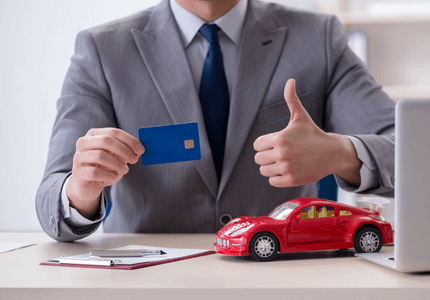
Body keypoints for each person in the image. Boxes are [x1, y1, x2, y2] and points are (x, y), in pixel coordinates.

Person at [36, 0, 395, 242]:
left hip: (279, 273)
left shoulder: (318, 38)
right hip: (148, 282)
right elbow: (52, 194)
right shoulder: (102, 50)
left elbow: (408, 149)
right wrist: (80, 190)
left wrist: (340, 153)